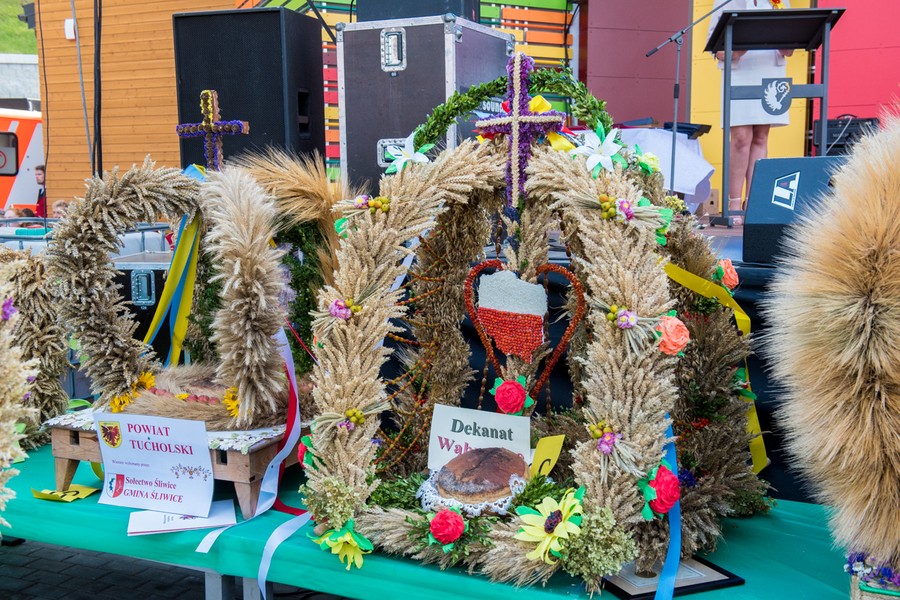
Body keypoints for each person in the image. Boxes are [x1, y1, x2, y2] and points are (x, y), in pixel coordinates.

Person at [707, 0, 793, 223]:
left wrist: (786, 42)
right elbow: (715, 47)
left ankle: (753, 202)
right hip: (740, 70)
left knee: (761, 136)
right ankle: (734, 203)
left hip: (768, 69)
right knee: (741, 138)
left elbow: (790, 43)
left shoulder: (779, 0)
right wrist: (737, 49)